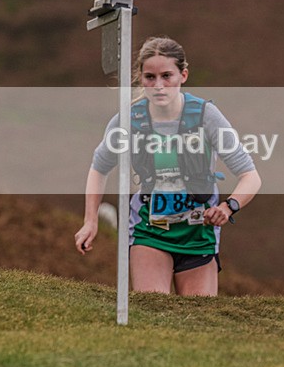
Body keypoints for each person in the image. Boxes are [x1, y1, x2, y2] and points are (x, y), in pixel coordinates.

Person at [75, 36, 261, 296]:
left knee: (199, 319)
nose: (159, 86)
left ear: (183, 75)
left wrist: (228, 207)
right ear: (141, 78)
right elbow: (99, 167)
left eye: (167, 76)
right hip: (149, 230)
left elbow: (250, 176)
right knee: (154, 308)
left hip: (199, 233)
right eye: (150, 77)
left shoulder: (205, 115)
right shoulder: (128, 120)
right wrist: (90, 221)